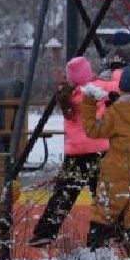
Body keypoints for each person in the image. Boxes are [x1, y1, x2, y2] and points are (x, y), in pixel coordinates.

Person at [28, 56, 112, 247]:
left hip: (75, 153)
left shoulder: (67, 95)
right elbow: (115, 86)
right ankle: (100, 236)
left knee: (64, 193)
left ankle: (44, 232)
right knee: (103, 196)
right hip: (99, 149)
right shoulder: (97, 90)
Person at [80, 64, 130, 255]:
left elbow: (93, 130)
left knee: (104, 214)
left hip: (117, 170)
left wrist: (89, 103)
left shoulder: (116, 112)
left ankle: (95, 254)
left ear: (121, 87)